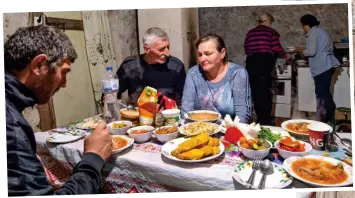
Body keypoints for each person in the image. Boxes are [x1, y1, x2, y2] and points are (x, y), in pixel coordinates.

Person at [5, 25, 113, 196]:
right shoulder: (10, 127)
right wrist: (93, 158)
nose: (64, 84)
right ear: (39, 65)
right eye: (64, 73)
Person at [182, 34, 252, 123]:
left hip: (229, 131)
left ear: (222, 53)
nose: (202, 59)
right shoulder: (193, 74)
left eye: (208, 54)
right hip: (198, 131)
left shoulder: (237, 73)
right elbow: (186, 111)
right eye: (200, 55)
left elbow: (242, 115)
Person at [116, 27, 186, 106]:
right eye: (161, 49)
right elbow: (111, 93)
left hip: (168, 115)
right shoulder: (130, 66)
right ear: (147, 49)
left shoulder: (176, 67)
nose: (167, 53)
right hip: (137, 115)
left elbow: (182, 102)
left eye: (168, 47)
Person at [243, 13, 291, 125]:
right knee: (266, 92)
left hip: (251, 64)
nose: (271, 24)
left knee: (256, 93)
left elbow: (246, 49)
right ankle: (266, 121)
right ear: (268, 21)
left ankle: (259, 119)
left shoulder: (250, 33)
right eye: (271, 22)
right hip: (264, 64)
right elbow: (276, 47)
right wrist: (286, 55)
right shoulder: (271, 32)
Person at [299, 14, 340, 123]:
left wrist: (303, 52)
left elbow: (311, 51)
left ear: (307, 25)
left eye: (303, 25)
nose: (303, 28)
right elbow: (331, 48)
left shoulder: (312, 33)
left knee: (322, 93)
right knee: (324, 92)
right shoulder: (323, 32)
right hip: (328, 64)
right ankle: (328, 118)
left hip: (321, 66)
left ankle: (328, 119)